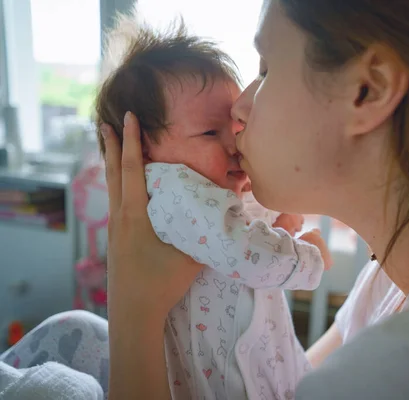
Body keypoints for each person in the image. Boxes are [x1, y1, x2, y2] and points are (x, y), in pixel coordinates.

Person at [101, 0, 409, 398]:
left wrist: (133, 312)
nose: (241, 107)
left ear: (369, 89)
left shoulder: (403, 373)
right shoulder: (403, 277)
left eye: (267, 68)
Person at [95, 17, 331, 400]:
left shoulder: (210, 188)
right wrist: (308, 259)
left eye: (234, 128)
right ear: (142, 149)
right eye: (209, 132)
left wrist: (280, 226)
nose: (234, 143)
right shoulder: (169, 187)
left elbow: (240, 227)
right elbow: (244, 251)